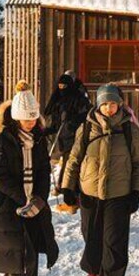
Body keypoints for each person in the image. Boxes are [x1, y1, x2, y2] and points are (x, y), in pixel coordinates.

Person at [61, 83, 139, 276]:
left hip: (119, 194)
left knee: (115, 243)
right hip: (90, 193)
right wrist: (67, 187)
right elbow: (74, 159)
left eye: (113, 103)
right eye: (105, 104)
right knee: (92, 237)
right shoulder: (87, 128)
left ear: (120, 104)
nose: (109, 108)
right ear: (98, 105)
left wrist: (136, 192)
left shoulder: (130, 130)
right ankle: (94, 271)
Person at [0, 81, 58, 276]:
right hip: (7, 205)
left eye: (34, 118)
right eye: (26, 119)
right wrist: (22, 198)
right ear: (17, 118)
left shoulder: (38, 139)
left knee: (30, 257)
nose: (31, 123)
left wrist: (39, 199)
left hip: (32, 206)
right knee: (22, 257)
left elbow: (43, 172)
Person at [43, 71, 91, 214]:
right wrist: (47, 130)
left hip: (76, 138)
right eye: (60, 85)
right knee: (66, 167)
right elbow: (56, 122)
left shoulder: (79, 98)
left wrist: (73, 121)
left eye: (65, 85)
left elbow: (86, 114)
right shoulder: (58, 100)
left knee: (71, 168)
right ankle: (69, 197)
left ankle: (72, 199)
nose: (62, 88)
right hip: (63, 140)